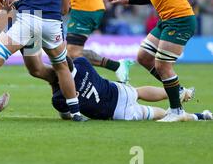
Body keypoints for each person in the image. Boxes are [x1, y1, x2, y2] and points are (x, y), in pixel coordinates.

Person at [108, 0, 197, 122]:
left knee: (162, 65)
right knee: (143, 57)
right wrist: (127, 0)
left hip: (179, 20)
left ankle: (176, 111)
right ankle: (179, 91)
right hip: (165, 21)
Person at [51, 57, 209, 122]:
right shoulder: (82, 62)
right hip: (117, 90)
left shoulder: (58, 97)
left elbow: (65, 115)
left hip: (115, 112)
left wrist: (53, 85)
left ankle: (198, 116)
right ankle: (179, 92)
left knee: (151, 112)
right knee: (138, 92)